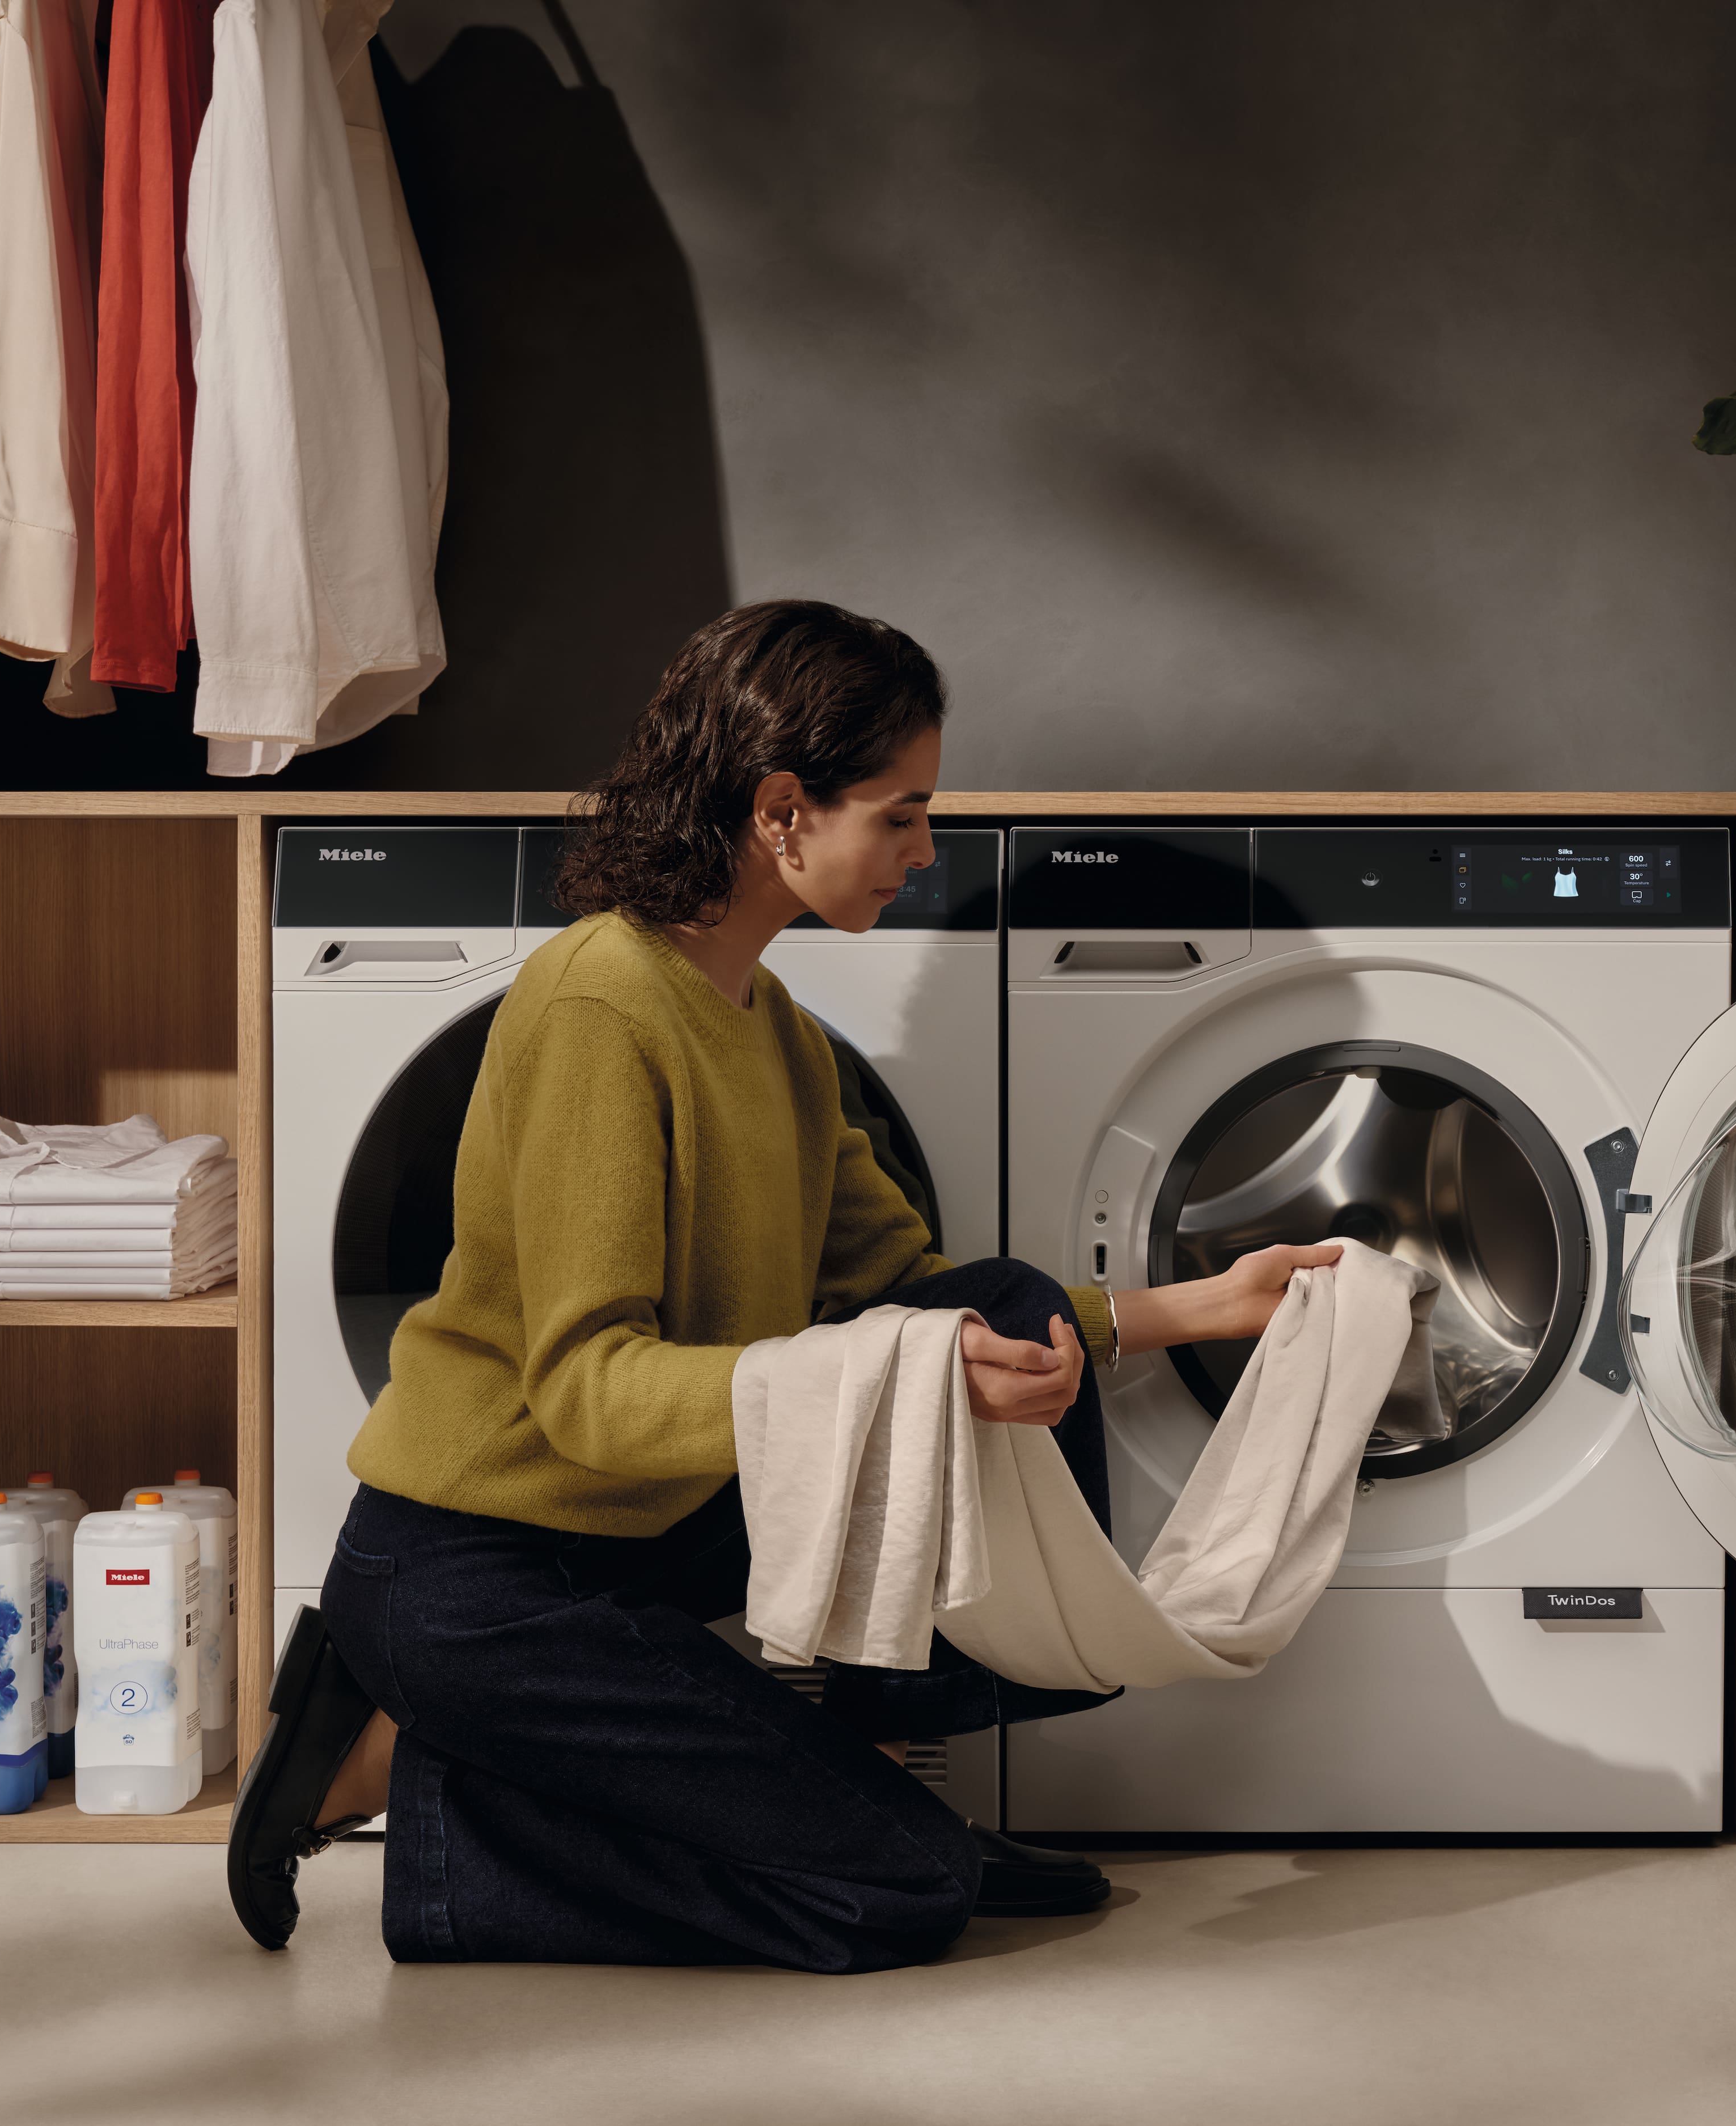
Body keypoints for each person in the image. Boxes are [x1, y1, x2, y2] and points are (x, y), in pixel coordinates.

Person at [225, 602, 1335, 1971]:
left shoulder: (784, 1040)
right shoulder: (597, 1007)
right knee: (896, 1895)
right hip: (484, 1574)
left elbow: (917, 1296)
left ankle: (851, 1787)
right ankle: (404, 1779)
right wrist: (893, 1371)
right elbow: (585, 1396)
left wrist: (1197, 1307)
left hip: (647, 1536)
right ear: (781, 812)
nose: (925, 854)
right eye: (904, 815)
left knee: (983, 1301)